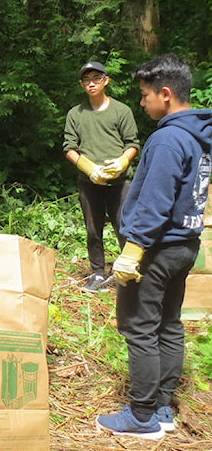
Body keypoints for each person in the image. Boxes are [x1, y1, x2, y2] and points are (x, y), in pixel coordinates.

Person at [96, 54, 212, 439]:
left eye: (145, 95)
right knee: (169, 323)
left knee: (139, 328)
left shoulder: (167, 139)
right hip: (185, 245)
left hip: (157, 250)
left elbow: (156, 201)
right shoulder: (199, 136)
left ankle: (142, 416)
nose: (142, 103)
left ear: (165, 93)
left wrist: (134, 249)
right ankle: (163, 405)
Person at [63, 60, 140, 292]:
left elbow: (133, 144)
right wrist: (89, 169)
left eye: (96, 78)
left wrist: (123, 161)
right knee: (93, 229)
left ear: (106, 81)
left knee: (124, 227)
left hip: (120, 181)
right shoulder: (75, 114)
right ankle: (97, 273)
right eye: (86, 79)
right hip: (90, 182)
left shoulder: (121, 111)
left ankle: (127, 271)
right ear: (81, 84)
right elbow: (69, 148)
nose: (91, 83)